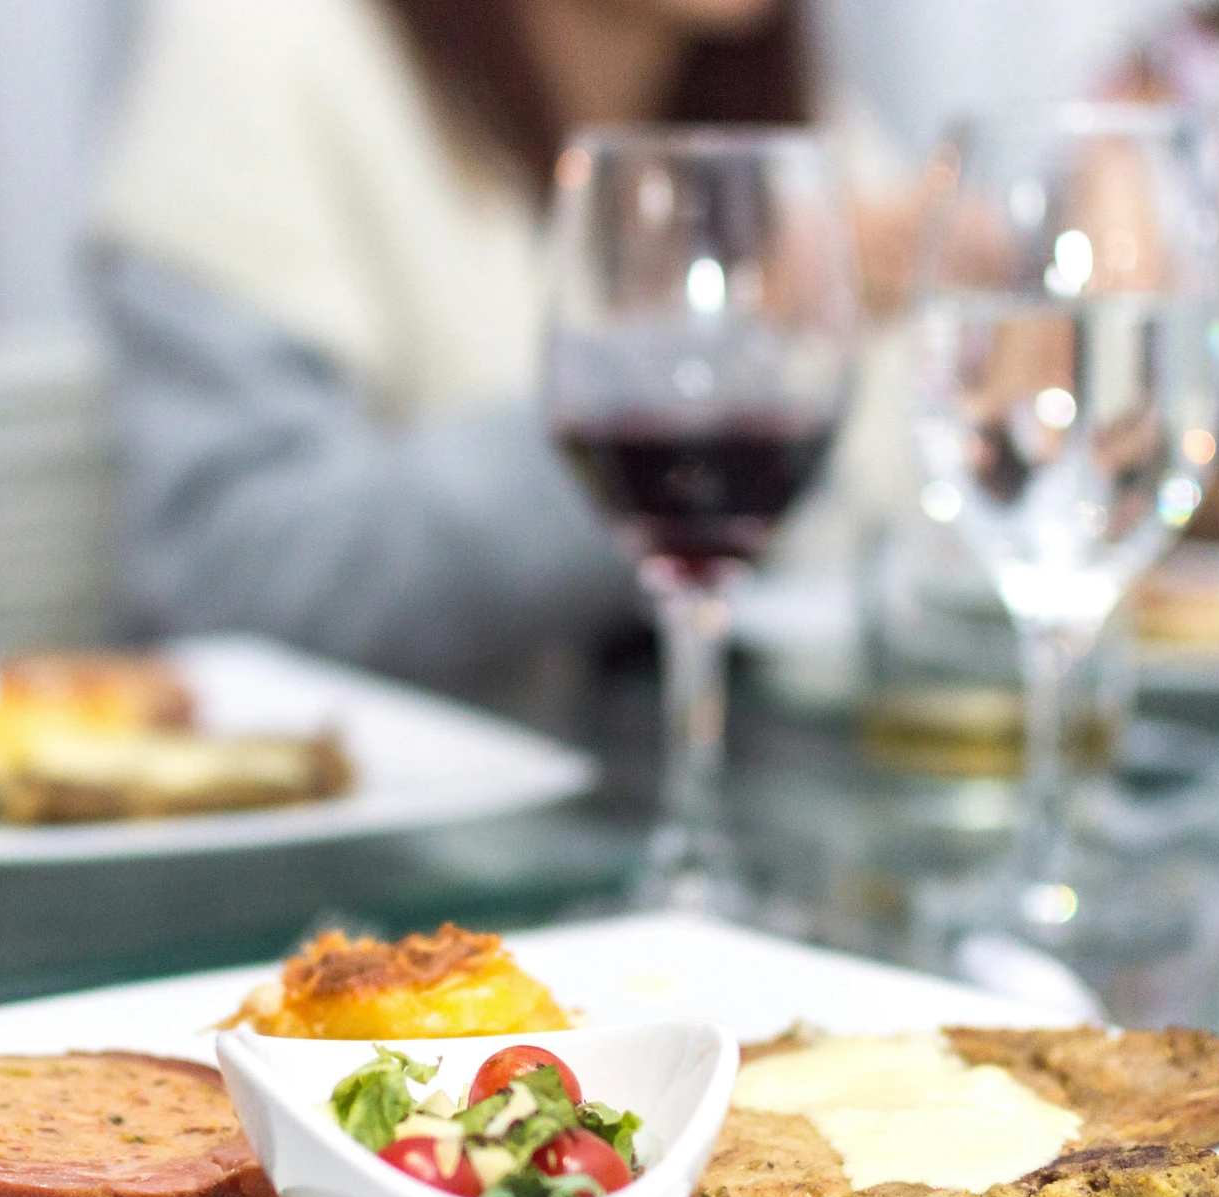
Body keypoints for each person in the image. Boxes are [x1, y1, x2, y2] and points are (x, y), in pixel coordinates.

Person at [96, 0, 912, 704]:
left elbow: (906, 533)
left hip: (693, 817)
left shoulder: (784, 114)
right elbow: (225, 577)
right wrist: (706, 354)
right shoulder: (263, 54)